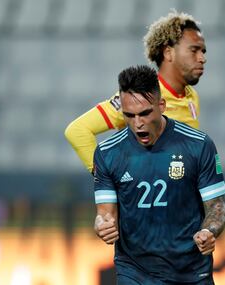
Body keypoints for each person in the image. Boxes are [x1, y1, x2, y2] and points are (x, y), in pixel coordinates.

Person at [93, 65, 225, 284]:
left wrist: (209, 231)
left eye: (145, 113)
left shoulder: (197, 145)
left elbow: (217, 206)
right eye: (130, 115)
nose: (138, 124)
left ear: (162, 105)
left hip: (190, 271)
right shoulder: (108, 153)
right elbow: (105, 214)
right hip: (134, 272)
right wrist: (102, 225)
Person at [65, 10, 207, 174]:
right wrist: (105, 178)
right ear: (169, 52)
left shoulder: (191, 96)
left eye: (203, 51)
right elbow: (78, 130)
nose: (202, 58)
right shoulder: (142, 95)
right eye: (194, 50)